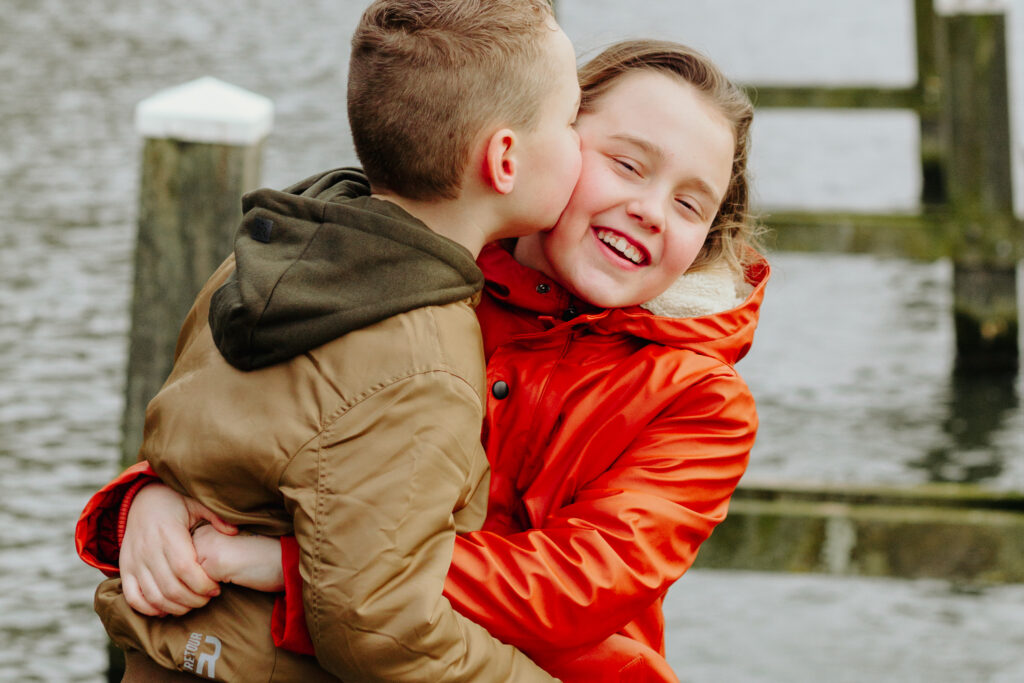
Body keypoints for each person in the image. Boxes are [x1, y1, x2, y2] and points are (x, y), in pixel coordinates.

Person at [77, 38, 770, 682]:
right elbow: (261, 424)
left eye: (690, 204)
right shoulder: (407, 280)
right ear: (548, 143)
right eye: (626, 163)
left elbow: (577, 581)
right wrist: (150, 498)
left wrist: (301, 565)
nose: (651, 208)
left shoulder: (703, 402)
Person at [77, 0, 583, 681]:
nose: (579, 142)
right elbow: (380, 624)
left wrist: (146, 498)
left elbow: (186, 447)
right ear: (505, 158)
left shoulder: (264, 256)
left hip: (169, 658)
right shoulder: (420, 361)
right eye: (571, 121)